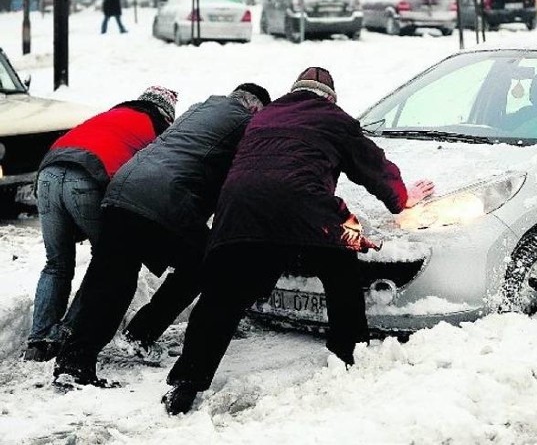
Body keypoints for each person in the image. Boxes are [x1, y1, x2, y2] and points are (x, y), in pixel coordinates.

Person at [161, 67, 434, 415]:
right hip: (308, 208)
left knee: (221, 298)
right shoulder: (335, 119)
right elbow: (372, 165)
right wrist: (401, 198)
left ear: (293, 91)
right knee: (342, 271)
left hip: (240, 211)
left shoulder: (263, 117)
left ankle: (187, 383)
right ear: (330, 98)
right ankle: (348, 353)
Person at [53, 83, 272, 388]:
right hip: (162, 199)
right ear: (256, 107)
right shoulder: (246, 122)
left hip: (122, 189)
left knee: (112, 280)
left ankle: (73, 363)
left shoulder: (199, 110)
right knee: (204, 262)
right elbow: (240, 177)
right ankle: (141, 334)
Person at [23, 86, 178, 362]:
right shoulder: (158, 130)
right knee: (106, 263)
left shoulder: (111, 114)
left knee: (56, 263)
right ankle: (70, 332)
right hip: (88, 177)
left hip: (47, 173)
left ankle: (40, 340)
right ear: (166, 114)